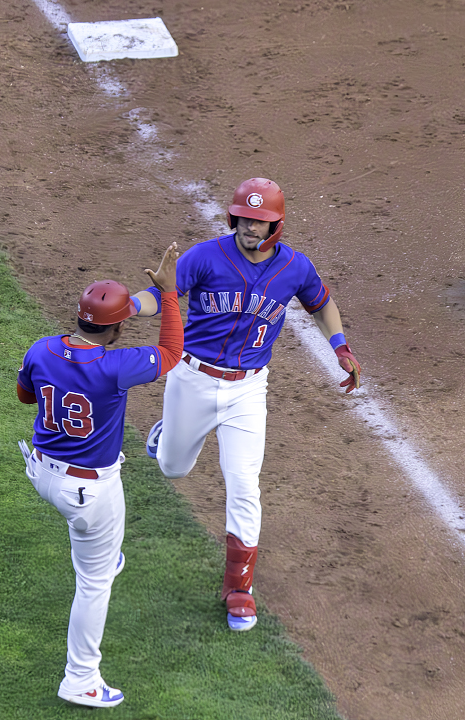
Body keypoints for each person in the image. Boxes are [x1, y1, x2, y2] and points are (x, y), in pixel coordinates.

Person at [132, 178, 362, 633]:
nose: (248, 226)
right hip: (192, 378)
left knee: (244, 484)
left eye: (259, 220)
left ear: (276, 224)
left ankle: (239, 588)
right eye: (243, 217)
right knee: (173, 469)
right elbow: (160, 298)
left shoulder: (295, 268)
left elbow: (322, 303)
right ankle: (168, 433)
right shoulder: (203, 256)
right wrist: (126, 305)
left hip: (248, 391)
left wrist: (340, 346)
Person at [17, 243, 183, 708]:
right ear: (117, 328)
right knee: (93, 585)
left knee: (95, 548)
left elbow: (25, 396)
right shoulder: (114, 368)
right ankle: (81, 679)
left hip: (43, 473)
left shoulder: (41, 349)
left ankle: (102, 557)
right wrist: (169, 295)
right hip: (87, 491)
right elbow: (171, 352)